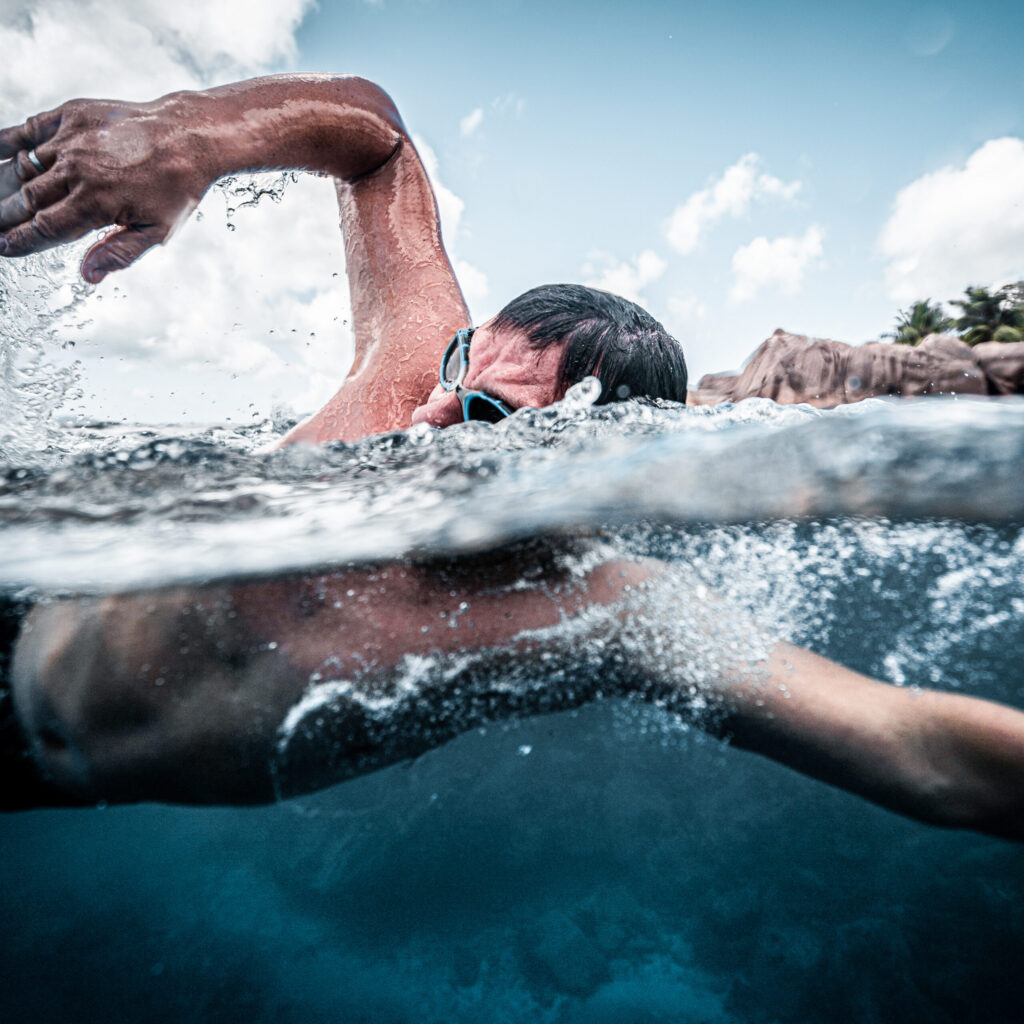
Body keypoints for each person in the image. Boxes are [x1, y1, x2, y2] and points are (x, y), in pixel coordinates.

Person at [1, 74, 1023, 841]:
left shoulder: (608, 610)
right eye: (457, 365)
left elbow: (912, 746)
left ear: (594, 468)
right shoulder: (405, 380)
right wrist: (189, 135)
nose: (427, 416)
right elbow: (379, 140)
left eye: (489, 414)